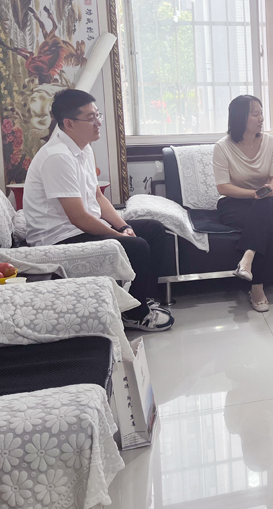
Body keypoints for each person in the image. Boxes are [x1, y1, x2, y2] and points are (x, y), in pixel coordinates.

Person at [24, 88, 174, 332]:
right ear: (69, 123)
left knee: (154, 230)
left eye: (98, 115)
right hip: (58, 238)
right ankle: (135, 315)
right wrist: (118, 235)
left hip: (79, 228)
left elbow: (97, 197)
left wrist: (124, 226)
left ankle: (141, 300)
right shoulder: (57, 157)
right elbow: (78, 217)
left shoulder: (83, 148)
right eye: (91, 117)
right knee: (136, 246)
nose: (98, 122)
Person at [213, 95, 273, 312]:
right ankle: (257, 288)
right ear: (240, 117)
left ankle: (248, 259)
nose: (261, 119)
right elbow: (223, 187)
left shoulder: (270, 142)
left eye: (261, 113)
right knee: (267, 225)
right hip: (233, 203)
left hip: (266, 200)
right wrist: (254, 194)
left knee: (265, 207)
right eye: (255, 114)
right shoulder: (222, 147)